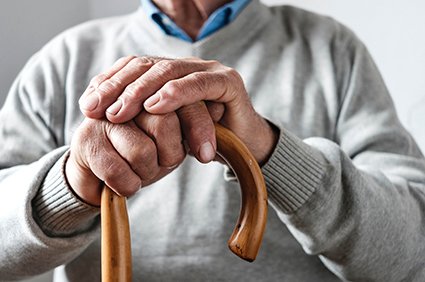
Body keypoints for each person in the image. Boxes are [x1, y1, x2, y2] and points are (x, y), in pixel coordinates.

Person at [0, 0, 424, 281]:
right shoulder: (64, 59)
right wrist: (70, 184)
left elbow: (412, 251)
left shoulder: (333, 50)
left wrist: (270, 151)